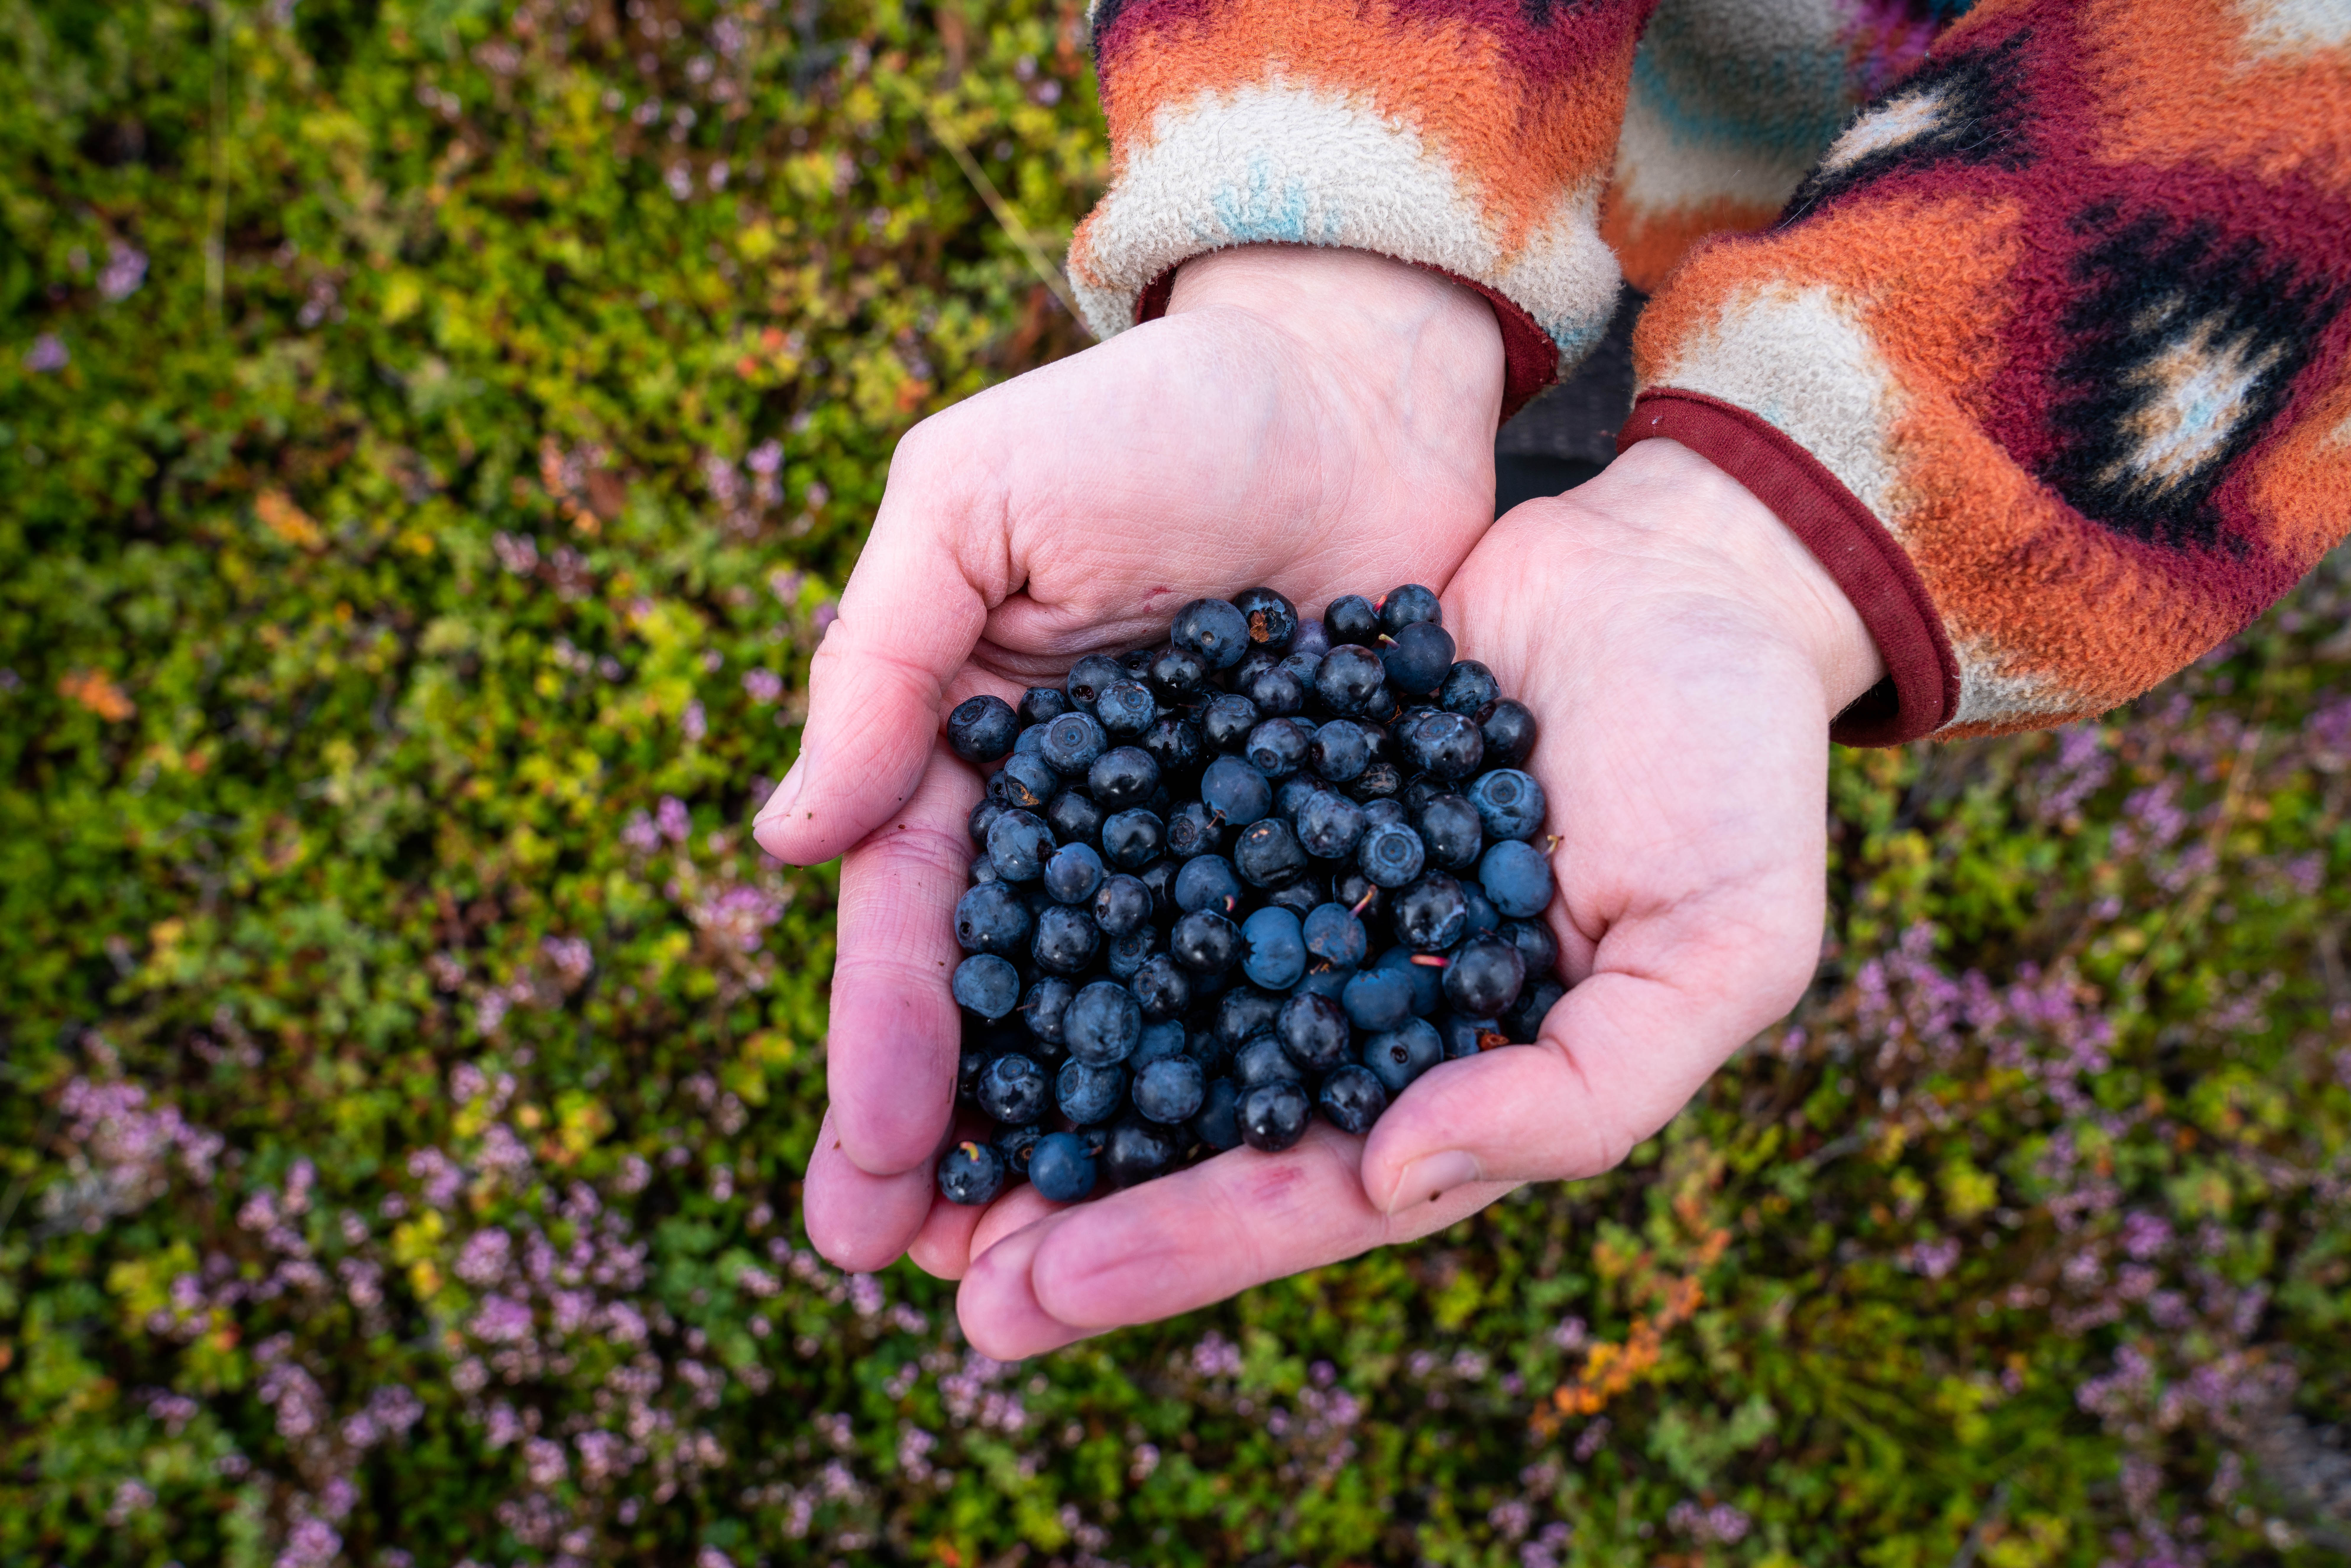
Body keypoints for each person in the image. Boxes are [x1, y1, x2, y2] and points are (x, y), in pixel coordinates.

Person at [755, 0, 2351, 1359]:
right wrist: (1336, 245)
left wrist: (1813, 503)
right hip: (1528, 143)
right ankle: (1480, 354)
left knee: (1585, 474)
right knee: (1513, 439)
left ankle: (1671, 437)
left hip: (2020, 248)